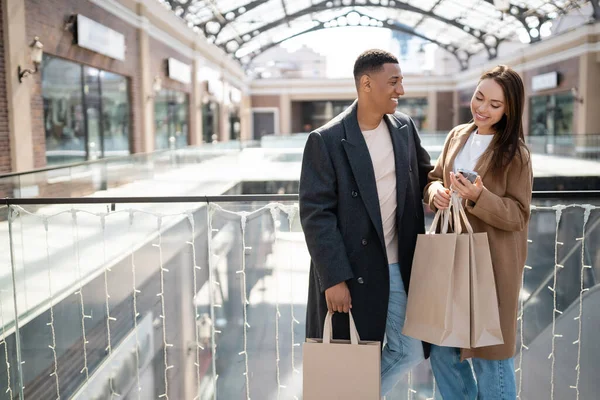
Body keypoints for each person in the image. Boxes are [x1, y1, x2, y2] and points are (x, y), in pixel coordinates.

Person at [299, 49, 432, 396]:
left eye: (401, 81)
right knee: (350, 354)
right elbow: (316, 214)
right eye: (394, 82)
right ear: (366, 84)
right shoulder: (326, 140)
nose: (400, 90)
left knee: (411, 349)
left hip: (398, 263)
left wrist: (436, 190)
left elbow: (423, 174)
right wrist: (333, 277)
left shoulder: (403, 128)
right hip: (352, 270)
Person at [424, 65, 533, 399]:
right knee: (441, 346)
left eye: (494, 104)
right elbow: (434, 178)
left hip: (491, 266)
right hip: (450, 259)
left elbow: (518, 215)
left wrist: (478, 197)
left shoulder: (516, 155)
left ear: (509, 109)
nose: (482, 108)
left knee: (491, 356)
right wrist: (437, 193)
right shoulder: (458, 135)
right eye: (479, 97)